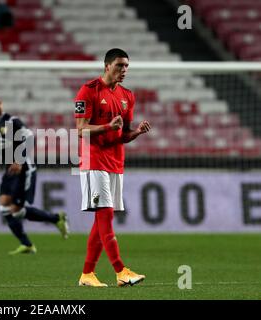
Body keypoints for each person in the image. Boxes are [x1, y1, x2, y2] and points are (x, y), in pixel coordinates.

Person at [74, 48, 151, 287]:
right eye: (119, 65)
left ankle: (87, 274)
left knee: (101, 221)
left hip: (116, 162)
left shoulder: (128, 96)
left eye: (127, 66)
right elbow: (80, 130)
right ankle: (121, 270)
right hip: (93, 160)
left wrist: (136, 132)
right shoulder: (88, 90)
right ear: (107, 66)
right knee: (105, 216)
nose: (124, 70)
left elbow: (123, 135)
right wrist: (107, 126)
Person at [0, 93, 69, 254]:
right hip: (10, 171)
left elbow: (30, 138)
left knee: (15, 210)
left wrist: (19, 160)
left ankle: (56, 219)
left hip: (24, 169)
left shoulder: (12, 121)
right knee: (4, 206)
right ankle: (27, 244)